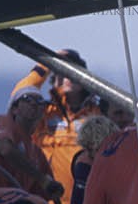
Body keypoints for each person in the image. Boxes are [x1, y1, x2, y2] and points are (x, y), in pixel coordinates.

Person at [11, 48, 100, 196]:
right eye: (63, 72)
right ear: (55, 79)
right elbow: (19, 96)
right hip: (46, 200)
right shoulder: (42, 112)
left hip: (84, 201)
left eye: (73, 71)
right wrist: (46, 62)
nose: (69, 77)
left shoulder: (97, 113)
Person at [0, 90, 64, 202]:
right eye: (27, 99)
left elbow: (50, 191)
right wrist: (42, 179)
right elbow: (6, 150)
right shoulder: (2, 122)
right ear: (14, 109)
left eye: (40, 102)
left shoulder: (37, 154)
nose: (34, 104)